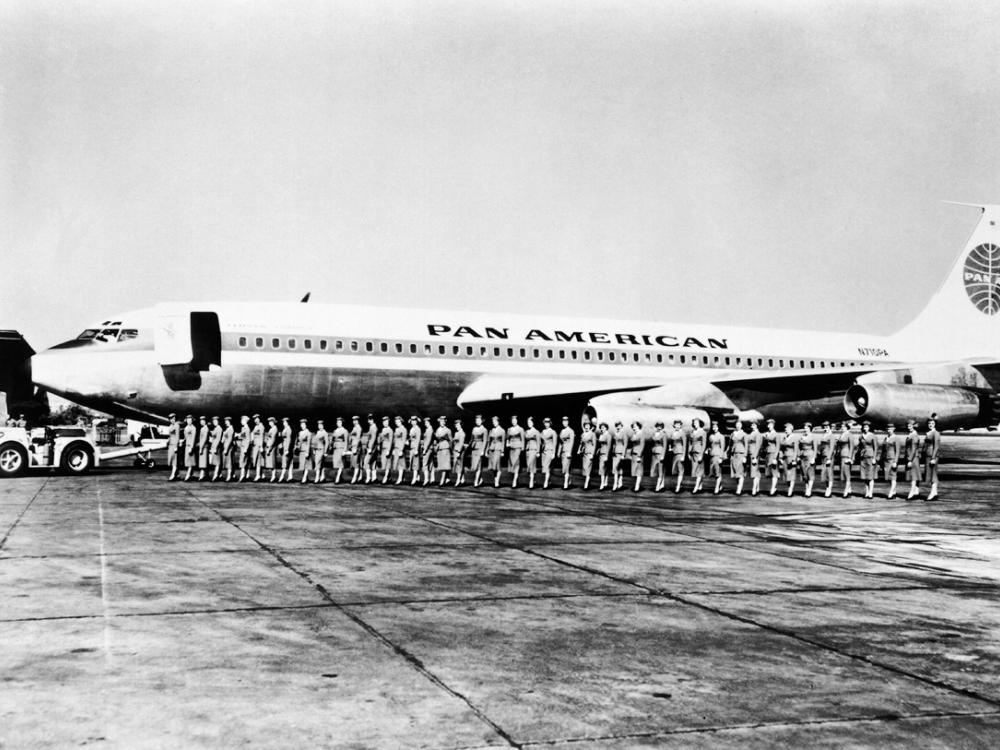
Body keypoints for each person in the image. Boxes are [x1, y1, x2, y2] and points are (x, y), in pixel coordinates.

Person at [856, 421, 879, 499]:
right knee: (864, 476)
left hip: (870, 456)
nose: (865, 428)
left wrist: (874, 458)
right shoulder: (861, 436)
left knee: (870, 475)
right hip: (863, 457)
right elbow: (859, 446)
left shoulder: (873, 436)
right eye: (864, 427)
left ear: (869, 428)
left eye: (867, 427)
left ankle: (871, 493)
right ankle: (867, 492)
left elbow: (876, 448)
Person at [879, 422, 902, 499]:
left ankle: (891, 493)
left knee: (893, 476)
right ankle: (894, 492)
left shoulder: (896, 438)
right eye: (888, 429)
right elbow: (883, 450)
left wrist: (895, 461)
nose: (889, 430)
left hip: (892, 459)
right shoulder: (886, 438)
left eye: (891, 429)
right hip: (885, 459)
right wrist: (881, 460)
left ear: (894, 429)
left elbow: (898, 451)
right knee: (888, 476)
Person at [836, 421, 857, 498]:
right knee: (843, 472)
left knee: (846, 473)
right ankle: (849, 490)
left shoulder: (849, 435)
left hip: (846, 455)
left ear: (847, 427)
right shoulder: (842, 435)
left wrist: (850, 457)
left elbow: (852, 447)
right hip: (841, 454)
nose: (842, 428)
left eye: (844, 427)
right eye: (842, 426)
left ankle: (846, 491)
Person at [816, 421, 835, 497]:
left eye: (827, 427)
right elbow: (821, 446)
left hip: (828, 456)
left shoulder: (831, 436)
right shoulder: (823, 435)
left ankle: (829, 489)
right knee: (825, 473)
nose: (825, 428)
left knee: (829, 473)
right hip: (823, 455)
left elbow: (832, 448)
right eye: (824, 427)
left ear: (830, 428)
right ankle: (827, 487)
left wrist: (829, 458)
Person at [779, 422, 798, 497]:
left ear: (791, 429)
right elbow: (781, 448)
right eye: (785, 429)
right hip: (785, 457)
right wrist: (780, 457)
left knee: (791, 474)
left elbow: (796, 449)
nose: (786, 430)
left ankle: (790, 490)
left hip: (791, 457)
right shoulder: (784, 438)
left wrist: (794, 459)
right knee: (787, 474)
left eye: (787, 429)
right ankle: (789, 488)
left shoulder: (794, 438)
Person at [924, 418, 941, 501]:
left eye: (932, 423)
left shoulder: (936, 433)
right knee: (931, 474)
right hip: (928, 455)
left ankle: (932, 493)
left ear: (935, 424)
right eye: (929, 423)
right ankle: (935, 492)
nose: (930, 425)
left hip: (932, 456)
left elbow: (936, 446)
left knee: (933, 474)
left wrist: (933, 458)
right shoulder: (929, 433)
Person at [728, 420, 747, 496]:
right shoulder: (732, 433)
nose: (738, 426)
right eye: (737, 424)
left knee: (740, 471)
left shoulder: (744, 434)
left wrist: (745, 456)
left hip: (741, 453)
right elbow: (730, 444)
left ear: (741, 426)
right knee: (735, 471)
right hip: (734, 454)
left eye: (739, 424)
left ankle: (739, 489)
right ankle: (738, 487)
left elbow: (746, 445)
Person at [688, 418, 707, 494]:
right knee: (696, 470)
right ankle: (700, 486)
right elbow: (690, 443)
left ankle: (696, 487)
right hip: (693, 452)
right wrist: (689, 453)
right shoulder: (692, 432)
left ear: (700, 423)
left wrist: (701, 455)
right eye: (694, 422)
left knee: (699, 470)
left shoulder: (703, 432)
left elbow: (704, 444)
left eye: (696, 422)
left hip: (699, 452)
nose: (695, 424)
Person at [762, 419, 780, 496]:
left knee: (774, 471)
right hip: (768, 454)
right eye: (768, 425)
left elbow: (778, 446)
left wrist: (775, 458)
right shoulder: (767, 434)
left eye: (769, 425)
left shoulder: (776, 434)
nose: (768, 426)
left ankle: (773, 489)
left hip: (773, 454)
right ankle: (774, 487)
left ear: (773, 425)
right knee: (769, 472)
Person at [905, 419, 922, 500]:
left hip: (913, 457)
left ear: (914, 426)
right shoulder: (911, 434)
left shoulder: (914, 435)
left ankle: (911, 493)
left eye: (910, 426)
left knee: (913, 475)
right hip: (913, 457)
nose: (909, 427)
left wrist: (910, 460)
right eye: (908, 426)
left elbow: (914, 449)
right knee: (915, 475)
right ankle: (916, 492)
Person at [798, 422, 816, 497]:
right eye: (804, 427)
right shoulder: (802, 436)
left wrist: (813, 458)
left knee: (810, 472)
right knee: (804, 473)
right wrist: (799, 455)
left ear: (810, 429)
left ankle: (809, 489)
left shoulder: (813, 437)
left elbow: (815, 449)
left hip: (810, 455)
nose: (805, 429)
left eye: (807, 428)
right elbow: (799, 446)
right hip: (803, 455)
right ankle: (806, 487)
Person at [506, 416, 525, 488]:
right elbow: (507, 438)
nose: (513, 422)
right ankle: (516, 480)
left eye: (515, 420)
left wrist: (522, 448)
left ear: (517, 421)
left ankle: (514, 481)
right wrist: (507, 443)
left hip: (518, 447)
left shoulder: (520, 429)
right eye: (512, 420)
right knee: (512, 463)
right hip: (511, 447)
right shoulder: (509, 429)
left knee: (516, 463)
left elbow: (523, 439)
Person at [487, 416, 505, 488]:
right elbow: (489, 441)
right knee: (493, 466)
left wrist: (502, 451)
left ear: (498, 422)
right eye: (493, 422)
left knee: (497, 465)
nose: (494, 423)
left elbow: (503, 441)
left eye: (495, 421)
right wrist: (487, 450)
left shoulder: (502, 430)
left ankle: (497, 481)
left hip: (498, 448)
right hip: (492, 448)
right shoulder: (491, 430)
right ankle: (495, 480)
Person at [707, 421, 726, 494]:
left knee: (718, 472)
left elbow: (722, 447)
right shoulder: (711, 436)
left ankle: (716, 488)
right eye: (713, 427)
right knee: (715, 472)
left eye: (716, 427)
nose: (714, 428)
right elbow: (709, 445)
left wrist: (721, 457)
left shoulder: (721, 436)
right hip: (712, 455)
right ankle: (720, 486)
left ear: (718, 428)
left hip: (718, 455)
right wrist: (708, 449)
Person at [670, 419, 688, 493]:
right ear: (674, 425)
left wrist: (683, 455)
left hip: (680, 453)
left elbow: (684, 445)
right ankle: (680, 484)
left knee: (680, 470)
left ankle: (678, 486)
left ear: (681, 425)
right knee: (675, 470)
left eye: (679, 425)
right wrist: (670, 448)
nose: (677, 426)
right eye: (676, 425)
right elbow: (671, 442)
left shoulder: (682, 433)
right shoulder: (673, 433)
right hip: (674, 453)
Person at [470, 415, 488, 487]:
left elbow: (485, 441)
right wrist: (468, 446)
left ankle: (476, 481)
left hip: (480, 448)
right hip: (474, 448)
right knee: (474, 466)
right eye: (476, 420)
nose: (477, 422)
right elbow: (471, 439)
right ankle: (480, 479)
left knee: (479, 465)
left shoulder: (484, 430)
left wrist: (483, 450)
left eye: (479, 420)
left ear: (482, 421)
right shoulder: (474, 429)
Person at [434, 416, 453, 486]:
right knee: (441, 463)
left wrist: (451, 448)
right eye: (441, 421)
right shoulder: (438, 429)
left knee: (445, 464)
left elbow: (451, 440)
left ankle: (442, 480)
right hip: (440, 447)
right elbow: (436, 439)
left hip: (445, 447)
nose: (442, 422)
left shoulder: (448, 430)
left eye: (443, 421)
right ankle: (447, 479)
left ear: (445, 422)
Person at [577, 421, 596, 490]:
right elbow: (581, 443)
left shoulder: (592, 434)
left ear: (590, 426)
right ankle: (587, 482)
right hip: (584, 453)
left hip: (589, 453)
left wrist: (592, 454)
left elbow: (594, 445)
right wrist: (579, 450)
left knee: (588, 468)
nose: (586, 427)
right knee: (585, 468)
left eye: (588, 425)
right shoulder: (583, 434)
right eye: (585, 425)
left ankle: (586, 484)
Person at [558, 416, 575, 490]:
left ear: (568, 422)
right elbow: (560, 442)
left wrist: (569, 452)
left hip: (568, 451)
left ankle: (565, 484)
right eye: (563, 421)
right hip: (563, 451)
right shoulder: (562, 431)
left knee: (566, 467)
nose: (565, 422)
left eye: (566, 421)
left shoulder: (571, 431)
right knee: (564, 467)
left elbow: (572, 442)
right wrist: (558, 451)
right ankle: (569, 479)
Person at [540, 418, 557, 489]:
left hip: (550, 450)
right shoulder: (542, 432)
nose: (546, 424)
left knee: (546, 466)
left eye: (548, 423)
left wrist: (554, 453)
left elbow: (555, 443)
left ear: (550, 423)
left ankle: (546, 482)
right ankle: (549, 481)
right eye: (545, 423)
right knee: (544, 466)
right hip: (543, 451)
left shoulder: (553, 432)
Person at [524, 416, 541, 489]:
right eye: (528, 422)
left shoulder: (536, 432)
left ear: (533, 423)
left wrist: (538, 451)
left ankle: (531, 482)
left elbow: (539, 442)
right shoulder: (526, 431)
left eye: (530, 422)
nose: (529, 424)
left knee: (531, 465)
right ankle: (533, 479)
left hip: (534, 449)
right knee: (528, 465)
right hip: (528, 449)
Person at [650, 422, 667, 492]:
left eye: (660, 426)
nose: (659, 427)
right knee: (655, 469)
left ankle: (658, 486)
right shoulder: (654, 434)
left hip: (660, 453)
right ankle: (662, 484)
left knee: (660, 469)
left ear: (662, 427)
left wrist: (663, 455)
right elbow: (652, 442)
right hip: (654, 453)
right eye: (658, 426)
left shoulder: (664, 434)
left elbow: (665, 445)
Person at [331, 417, 349, 484]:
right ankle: (339, 477)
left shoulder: (345, 431)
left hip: (341, 448)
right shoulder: (335, 431)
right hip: (336, 448)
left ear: (342, 423)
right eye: (338, 422)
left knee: (340, 463)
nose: (339, 423)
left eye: (340, 422)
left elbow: (346, 441)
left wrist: (345, 450)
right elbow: (333, 439)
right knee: (336, 463)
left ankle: (338, 477)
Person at [746, 420, 762, 496]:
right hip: (751, 453)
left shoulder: (758, 434)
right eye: (751, 425)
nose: (751, 426)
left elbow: (758, 446)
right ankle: (757, 488)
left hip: (754, 454)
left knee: (754, 471)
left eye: (753, 425)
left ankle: (754, 489)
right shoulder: (752, 433)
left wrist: (755, 456)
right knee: (756, 471)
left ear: (756, 426)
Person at [628, 421, 645, 492]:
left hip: (638, 454)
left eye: (635, 426)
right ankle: (637, 485)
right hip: (634, 453)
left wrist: (639, 455)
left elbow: (642, 445)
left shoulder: (641, 434)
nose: (634, 428)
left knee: (639, 471)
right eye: (633, 427)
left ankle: (637, 486)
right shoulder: (634, 434)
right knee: (635, 470)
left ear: (639, 427)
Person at [611, 421, 628, 491]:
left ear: (621, 426)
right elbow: (614, 444)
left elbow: (625, 444)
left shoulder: (624, 434)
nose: (618, 427)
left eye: (619, 426)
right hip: (615, 453)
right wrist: (612, 451)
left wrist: (623, 454)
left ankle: (616, 484)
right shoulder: (615, 434)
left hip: (620, 452)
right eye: (616, 426)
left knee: (617, 468)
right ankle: (620, 484)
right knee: (617, 468)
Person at [391, 416, 407, 485]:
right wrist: (394, 448)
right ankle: (402, 478)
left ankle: (400, 479)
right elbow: (395, 440)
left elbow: (403, 440)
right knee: (398, 464)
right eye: (396, 422)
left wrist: (401, 449)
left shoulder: (403, 429)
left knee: (401, 464)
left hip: (400, 448)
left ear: (401, 421)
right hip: (396, 448)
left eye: (397, 421)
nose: (396, 423)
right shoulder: (397, 429)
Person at [597, 421, 613, 491]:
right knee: (603, 469)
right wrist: (599, 449)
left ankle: (602, 484)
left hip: (606, 453)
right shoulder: (601, 435)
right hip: (601, 453)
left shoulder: (608, 435)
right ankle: (605, 483)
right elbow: (601, 444)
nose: (601, 429)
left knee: (603, 469)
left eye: (603, 428)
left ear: (606, 428)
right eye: (601, 428)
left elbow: (609, 446)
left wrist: (607, 455)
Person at [362, 415, 378, 483]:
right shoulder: (372, 427)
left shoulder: (373, 428)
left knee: (366, 462)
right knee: (373, 462)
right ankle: (374, 477)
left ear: (373, 420)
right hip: (373, 447)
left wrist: (370, 448)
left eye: (370, 419)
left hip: (372, 447)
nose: (369, 421)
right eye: (368, 420)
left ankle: (368, 478)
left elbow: (373, 438)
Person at [407, 416, 423, 485]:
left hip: (415, 447)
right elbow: (411, 437)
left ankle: (414, 478)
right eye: (412, 421)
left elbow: (418, 439)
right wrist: (408, 440)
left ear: (416, 421)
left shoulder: (417, 429)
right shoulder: (412, 428)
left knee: (415, 463)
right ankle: (418, 478)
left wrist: (416, 449)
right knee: (413, 462)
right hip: (412, 447)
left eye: (414, 421)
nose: (413, 422)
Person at [297, 419, 313, 484]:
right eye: (301, 424)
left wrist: (307, 452)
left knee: (306, 465)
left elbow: (309, 443)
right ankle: (306, 477)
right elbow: (299, 441)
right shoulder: (300, 433)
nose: (302, 426)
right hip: (301, 450)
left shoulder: (308, 433)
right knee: (302, 465)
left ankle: (304, 478)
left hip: (306, 450)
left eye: (303, 424)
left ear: (306, 425)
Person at [377, 416, 392, 484]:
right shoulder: (383, 430)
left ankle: (386, 477)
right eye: (384, 422)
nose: (385, 423)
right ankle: (389, 477)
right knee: (384, 463)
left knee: (387, 464)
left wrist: (388, 450)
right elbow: (381, 439)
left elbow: (390, 441)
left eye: (386, 422)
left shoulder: (390, 430)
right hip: (383, 448)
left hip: (387, 448)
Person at [452, 418, 467, 486]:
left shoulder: (462, 433)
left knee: (459, 465)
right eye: (456, 425)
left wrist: (458, 452)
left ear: (461, 425)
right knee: (458, 465)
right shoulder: (456, 433)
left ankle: (458, 480)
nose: (456, 426)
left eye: (458, 425)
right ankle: (462, 479)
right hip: (456, 450)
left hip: (459, 451)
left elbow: (461, 443)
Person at [250, 414, 265, 481]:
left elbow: (261, 437)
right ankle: (262, 475)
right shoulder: (256, 427)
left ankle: (258, 475)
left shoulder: (261, 427)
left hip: (258, 446)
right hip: (255, 446)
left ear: (259, 419)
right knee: (257, 461)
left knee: (258, 461)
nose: (255, 420)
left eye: (256, 419)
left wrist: (261, 446)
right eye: (254, 419)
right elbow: (252, 433)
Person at [278, 417, 294, 483]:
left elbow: (289, 440)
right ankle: (290, 476)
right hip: (285, 446)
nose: (283, 423)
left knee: (285, 462)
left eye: (284, 422)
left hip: (287, 447)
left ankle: (281, 477)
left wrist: (287, 449)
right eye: (283, 422)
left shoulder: (288, 429)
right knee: (290, 462)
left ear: (287, 422)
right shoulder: (285, 429)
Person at [166, 413, 180, 481]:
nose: (172, 420)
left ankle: (173, 475)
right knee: (171, 459)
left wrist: (176, 446)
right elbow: (169, 435)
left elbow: (177, 436)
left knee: (174, 460)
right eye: (171, 419)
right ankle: (177, 474)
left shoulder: (177, 425)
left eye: (174, 419)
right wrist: (168, 441)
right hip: (170, 444)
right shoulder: (170, 425)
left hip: (174, 444)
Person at [348, 416, 363, 484]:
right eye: (353, 420)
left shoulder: (359, 428)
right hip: (353, 446)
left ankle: (355, 477)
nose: (354, 421)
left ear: (358, 421)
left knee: (356, 462)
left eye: (356, 420)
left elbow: (358, 438)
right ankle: (359, 477)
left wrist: (356, 448)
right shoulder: (354, 428)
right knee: (355, 462)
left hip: (356, 447)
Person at [420, 417, 434, 486]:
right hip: (430, 448)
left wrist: (425, 449)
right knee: (431, 464)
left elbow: (428, 440)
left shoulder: (429, 430)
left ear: (429, 422)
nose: (425, 424)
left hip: (428, 449)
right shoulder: (428, 429)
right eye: (425, 423)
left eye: (426, 423)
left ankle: (426, 480)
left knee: (425, 464)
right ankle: (432, 479)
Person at [264, 416, 278, 482]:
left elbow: (273, 440)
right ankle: (273, 476)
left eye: (270, 422)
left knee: (273, 463)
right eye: (269, 422)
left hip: (272, 448)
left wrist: (269, 448)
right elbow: (268, 438)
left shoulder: (275, 429)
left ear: (273, 422)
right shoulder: (271, 429)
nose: (269, 423)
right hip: (269, 446)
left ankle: (274, 476)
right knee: (270, 463)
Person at [183, 415, 197, 481]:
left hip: (190, 446)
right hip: (186, 445)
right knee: (188, 461)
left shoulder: (193, 428)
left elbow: (193, 438)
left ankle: (188, 475)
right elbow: (186, 437)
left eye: (190, 420)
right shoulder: (186, 427)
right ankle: (190, 474)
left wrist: (191, 447)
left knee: (190, 461)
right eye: (188, 420)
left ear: (192, 420)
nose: (189, 421)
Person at [196, 416, 210, 481]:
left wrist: (201, 447)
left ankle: (202, 475)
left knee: (203, 462)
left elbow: (204, 439)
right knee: (204, 461)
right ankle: (206, 475)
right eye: (200, 421)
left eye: (202, 421)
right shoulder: (203, 428)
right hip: (203, 446)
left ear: (205, 421)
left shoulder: (205, 429)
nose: (201, 422)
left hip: (204, 447)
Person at [221, 416, 235, 482]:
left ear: (229, 422)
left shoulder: (231, 429)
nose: (225, 422)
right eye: (225, 421)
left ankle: (229, 476)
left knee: (229, 462)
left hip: (229, 447)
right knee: (228, 462)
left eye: (227, 421)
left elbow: (229, 440)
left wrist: (226, 449)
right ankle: (232, 475)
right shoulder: (227, 429)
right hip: (226, 447)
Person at [209, 416, 223, 481]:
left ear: (218, 422)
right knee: (215, 462)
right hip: (213, 446)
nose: (214, 422)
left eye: (216, 421)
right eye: (213, 421)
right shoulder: (215, 428)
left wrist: (215, 447)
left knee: (217, 462)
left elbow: (218, 439)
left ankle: (216, 475)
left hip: (216, 448)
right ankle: (219, 474)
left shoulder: (219, 429)